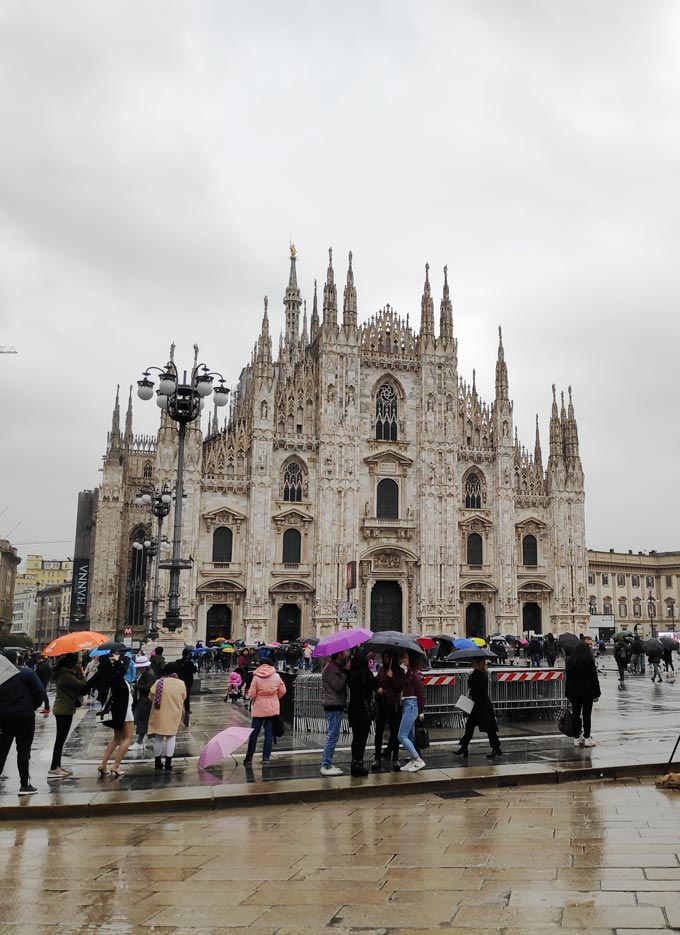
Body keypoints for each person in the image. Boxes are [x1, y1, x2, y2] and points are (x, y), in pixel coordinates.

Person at [0, 651, 45, 795]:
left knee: (2, 749)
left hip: (4, 717)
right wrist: (31, 707)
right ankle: (24, 784)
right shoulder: (27, 673)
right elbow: (40, 692)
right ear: (17, 659)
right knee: (24, 750)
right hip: (25, 716)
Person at [49, 653, 89, 779]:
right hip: (64, 710)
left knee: (61, 740)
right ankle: (54, 767)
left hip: (63, 709)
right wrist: (82, 674)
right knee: (60, 740)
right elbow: (83, 687)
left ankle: (57, 766)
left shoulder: (63, 674)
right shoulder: (65, 676)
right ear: (71, 664)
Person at [453, 657, 502, 759]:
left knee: (488, 728)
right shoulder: (478, 673)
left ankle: (496, 747)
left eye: (473, 661)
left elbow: (477, 689)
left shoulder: (481, 674)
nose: (472, 663)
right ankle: (464, 747)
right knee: (470, 727)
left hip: (482, 705)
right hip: (477, 705)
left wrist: (472, 688)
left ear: (478, 663)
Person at [244, 654, 286, 766]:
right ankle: (266, 757)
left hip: (259, 707)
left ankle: (249, 757)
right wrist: (275, 697)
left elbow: (251, 694)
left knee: (254, 733)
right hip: (272, 707)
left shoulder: (256, 677)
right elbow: (283, 691)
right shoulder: (276, 676)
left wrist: (258, 696)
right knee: (269, 734)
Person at [97, 653, 135, 778]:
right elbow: (121, 670)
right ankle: (116, 765)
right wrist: (118, 662)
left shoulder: (111, 677)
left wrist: (115, 663)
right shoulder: (118, 680)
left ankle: (103, 764)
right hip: (125, 712)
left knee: (116, 738)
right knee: (127, 738)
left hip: (117, 711)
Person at [148, 662, 187, 770]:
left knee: (159, 737)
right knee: (171, 737)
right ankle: (168, 763)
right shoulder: (181, 683)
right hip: (174, 713)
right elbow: (183, 697)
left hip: (160, 712)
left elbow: (151, 696)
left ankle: (157, 761)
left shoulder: (159, 682)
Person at [565, 639, 601, 747]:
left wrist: (568, 693)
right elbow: (594, 679)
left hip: (574, 693)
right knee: (586, 715)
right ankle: (587, 737)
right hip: (587, 692)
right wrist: (596, 693)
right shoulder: (589, 662)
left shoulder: (571, 662)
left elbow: (568, 680)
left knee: (575, 715)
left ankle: (576, 738)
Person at [372, 650, 404, 771]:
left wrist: (391, 678)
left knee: (394, 731)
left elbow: (399, 687)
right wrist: (378, 688)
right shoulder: (381, 670)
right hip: (382, 704)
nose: (385, 659)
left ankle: (395, 757)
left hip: (393, 704)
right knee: (379, 732)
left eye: (387, 657)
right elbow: (376, 683)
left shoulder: (399, 671)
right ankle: (378, 757)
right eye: (384, 656)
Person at [346, 653, 375, 777]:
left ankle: (354, 763)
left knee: (356, 737)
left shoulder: (351, 675)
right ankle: (359, 763)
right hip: (364, 709)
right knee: (362, 738)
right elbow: (376, 687)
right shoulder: (366, 674)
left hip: (353, 709)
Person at [320, 650, 349, 776]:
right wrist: (346, 671)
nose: (347, 652)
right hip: (333, 704)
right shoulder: (331, 668)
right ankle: (325, 765)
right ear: (339, 654)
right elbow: (337, 685)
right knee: (332, 735)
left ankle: (329, 763)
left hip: (336, 703)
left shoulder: (335, 666)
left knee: (334, 735)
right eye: (345, 651)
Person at [398, 651, 426, 772]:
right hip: (407, 704)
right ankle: (413, 760)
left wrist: (421, 710)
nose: (404, 660)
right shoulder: (409, 672)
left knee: (401, 735)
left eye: (406, 657)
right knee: (410, 735)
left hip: (411, 704)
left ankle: (417, 759)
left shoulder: (416, 674)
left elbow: (420, 694)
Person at [130, 655, 155, 750]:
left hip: (145, 701)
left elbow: (149, 688)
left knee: (140, 720)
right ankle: (151, 738)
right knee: (143, 720)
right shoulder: (144, 673)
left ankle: (140, 741)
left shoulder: (147, 674)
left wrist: (136, 686)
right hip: (142, 700)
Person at [177, 648, 198, 720]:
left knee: (179, 695)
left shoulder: (178, 662)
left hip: (179, 680)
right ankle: (187, 709)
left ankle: (178, 708)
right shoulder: (189, 662)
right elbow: (194, 670)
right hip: (188, 681)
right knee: (186, 695)